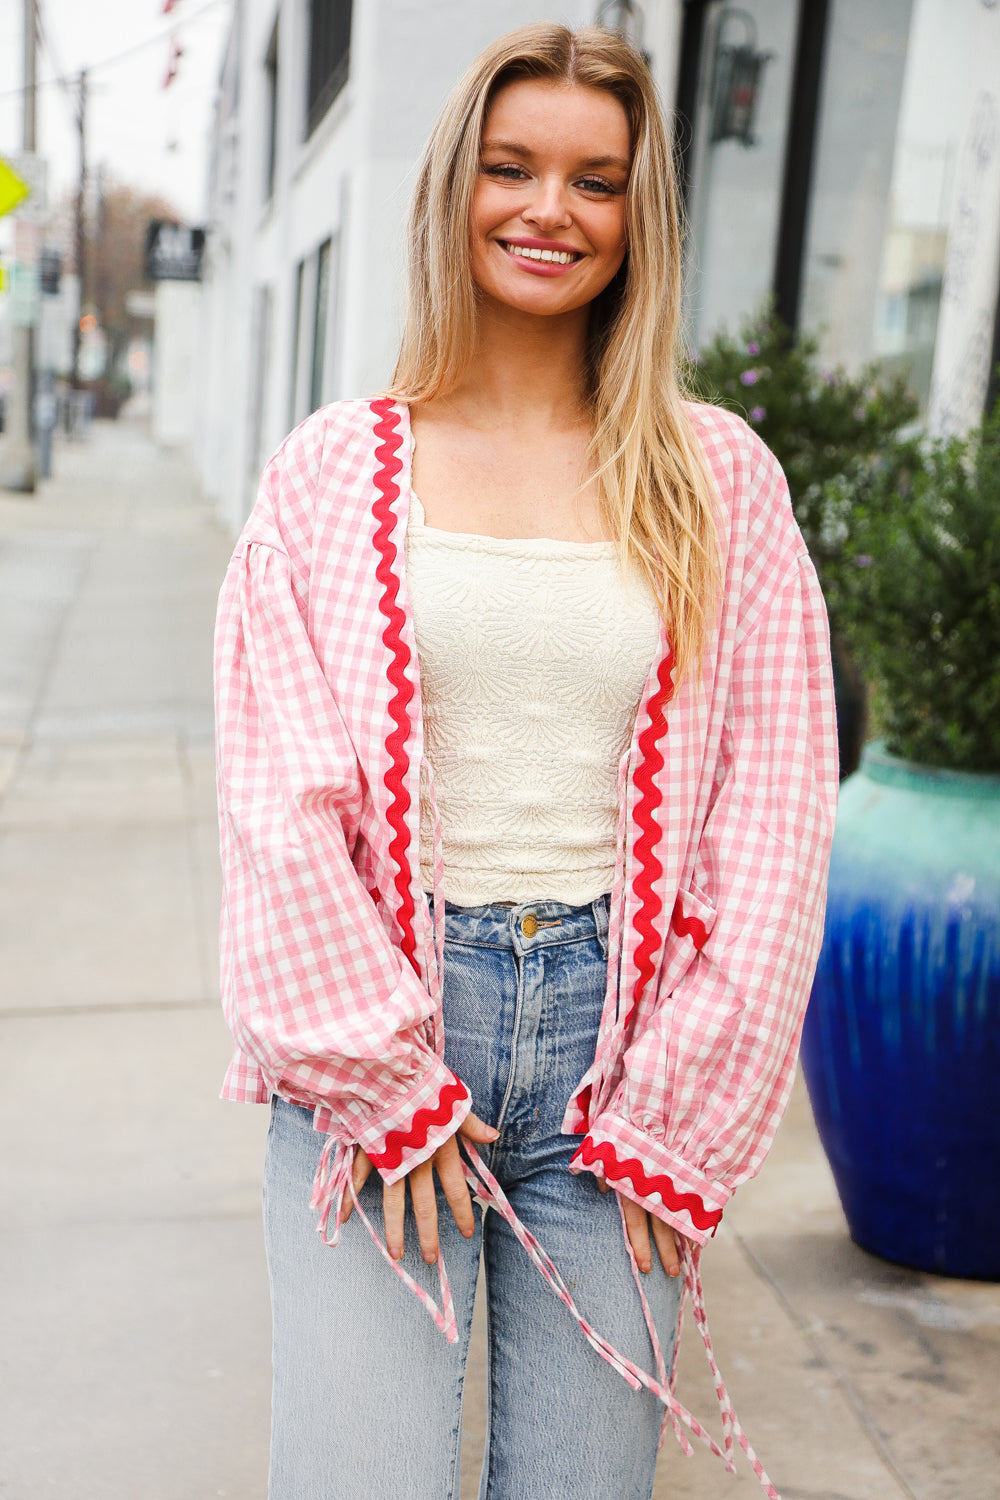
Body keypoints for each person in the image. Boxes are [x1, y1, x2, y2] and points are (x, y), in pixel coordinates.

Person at [214, 23, 837, 1500]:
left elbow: (777, 804)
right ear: (454, 189)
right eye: (512, 168)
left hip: (619, 1060)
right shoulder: (327, 468)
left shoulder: (717, 478)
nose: (549, 209)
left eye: (594, 180)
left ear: (641, 217)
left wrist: (681, 1105)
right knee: (359, 1478)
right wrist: (381, 1076)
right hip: (388, 1030)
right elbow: (276, 797)